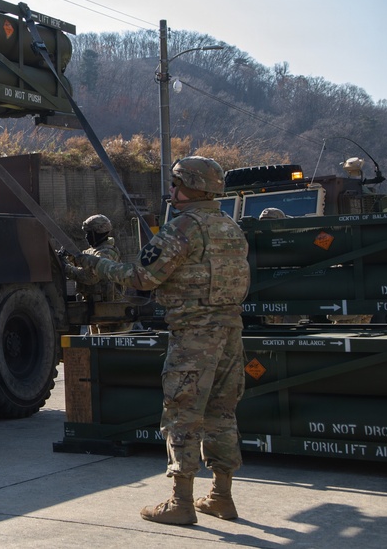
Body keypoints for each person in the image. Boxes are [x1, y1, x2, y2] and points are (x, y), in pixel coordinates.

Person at [72, 156, 250, 526]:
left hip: (194, 335)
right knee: (222, 413)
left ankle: (181, 502)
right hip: (231, 332)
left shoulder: (182, 227)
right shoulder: (229, 226)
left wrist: (96, 263)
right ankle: (221, 496)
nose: (171, 190)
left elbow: (141, 277)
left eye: (176, 183)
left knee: (182, 413)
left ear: (191, 187)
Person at [61, 214, 130, 334]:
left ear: (98, 233)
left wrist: (66, 268)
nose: (86, 237)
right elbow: (85, 263)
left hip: (110, 315)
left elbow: (90, 277)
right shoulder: (92, 251)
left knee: (107, 345)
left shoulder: (107, 253)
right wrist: (70, 257)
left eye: (89, 233)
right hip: (96, 313)